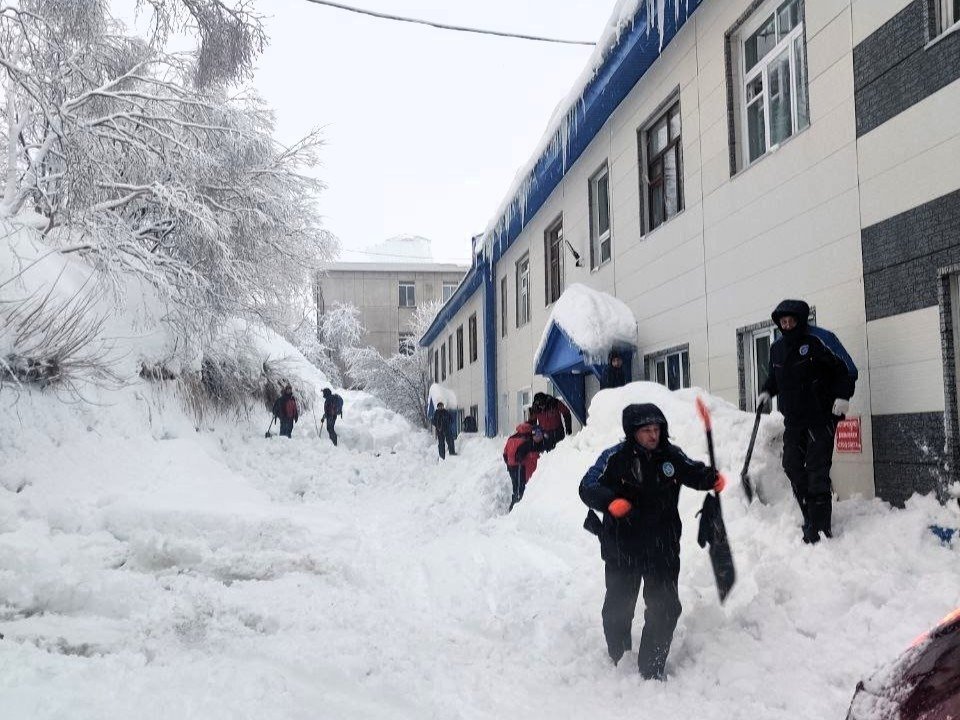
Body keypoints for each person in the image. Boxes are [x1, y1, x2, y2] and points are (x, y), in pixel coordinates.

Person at [579, 403, 724, 679]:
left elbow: (692, 471)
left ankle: (651, 667)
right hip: (624, 547)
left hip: (662, 546)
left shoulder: (670, 456)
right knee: (618, 609)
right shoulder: (614, 458)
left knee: (666, 606)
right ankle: (620, 657)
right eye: (646, 430)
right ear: (632, 432)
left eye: (656, 429)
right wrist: (611, 502)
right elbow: (587, 486)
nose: (653, 435)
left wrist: (710, 478)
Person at [757, 299, 857, 544]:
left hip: (821, 416)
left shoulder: (820, 339)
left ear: (801, 320)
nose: (788, 325)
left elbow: (847, 369)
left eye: (792, 321)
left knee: (816, 471)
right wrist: (766, 391)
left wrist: (843, 396)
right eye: (783, 322)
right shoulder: (777, 348)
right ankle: (809, 514)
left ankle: (820, 529)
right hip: (794, 420)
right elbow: (775, 377)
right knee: (791, 465)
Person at [502, 423, 545, 511]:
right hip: (519, 467)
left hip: (511, 467)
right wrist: (520, 461)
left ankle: (514, 506)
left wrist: (509, 462)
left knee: (516, 486)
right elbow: (521, 454)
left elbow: (505, 453)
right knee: (520, 488)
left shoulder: (511, 438)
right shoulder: (526, 441)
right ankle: (515, 509)